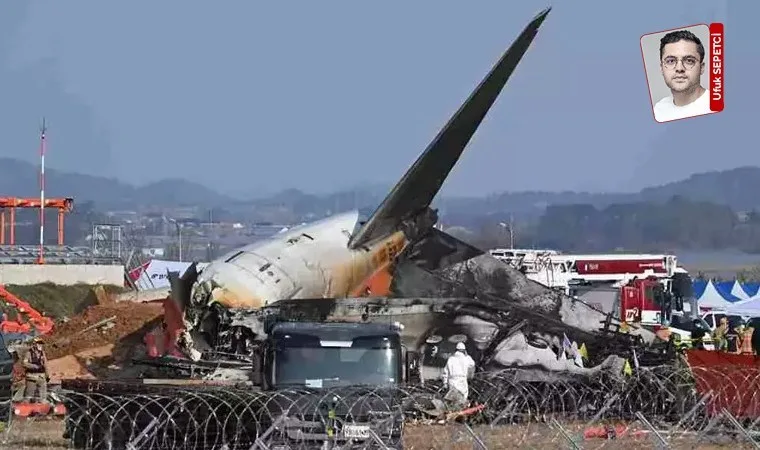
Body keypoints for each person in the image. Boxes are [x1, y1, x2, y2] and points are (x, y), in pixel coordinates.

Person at [652, 29, 713, 122]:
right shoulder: (658, 110)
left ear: (702, 67)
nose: (679, 68)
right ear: (661, 68)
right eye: (671, 61)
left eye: (689, 60)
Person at [441, 342, 476, 410]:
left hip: (452, 380)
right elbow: (472, 364)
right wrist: (467, 355)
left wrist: (445, 382)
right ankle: (461, 412)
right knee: (463, 397)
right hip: (462, 380)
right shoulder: (466, 358)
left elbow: (446, 372)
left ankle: (452, 411)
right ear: (464, 350)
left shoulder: (451, 359)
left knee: (453, 398)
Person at [22, 337, 50, 404]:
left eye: (41, 344)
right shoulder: (29, 353)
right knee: (28, 396)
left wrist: (47, 375)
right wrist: (34, 366)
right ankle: (24, 411)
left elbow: (45, 365)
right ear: (34, 344)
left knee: (43, 397)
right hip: (31, 377)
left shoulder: (42, 353)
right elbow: (24, 363)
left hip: (41, 377)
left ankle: (42, 410)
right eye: (39, 344)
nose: (40, 345)